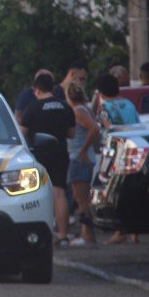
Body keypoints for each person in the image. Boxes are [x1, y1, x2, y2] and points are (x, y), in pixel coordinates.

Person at [19, 73, 76, 246]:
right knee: (59, 193)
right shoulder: (65, 107)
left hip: (39, 156)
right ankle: (63, 235)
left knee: (35, 194)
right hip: (60, 153)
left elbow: (22, 134)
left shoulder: (33, 107)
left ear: (36, 90)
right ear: (52, 88)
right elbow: (71, 134)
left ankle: (40, 234)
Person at [95, 73, 140, 245]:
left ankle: (120, 230)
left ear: (100, 91)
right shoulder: (129, 104)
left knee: (115, 192)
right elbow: (138, 124)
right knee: (131, 191)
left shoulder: (104, 108)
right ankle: (134, 232)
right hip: (132, 150)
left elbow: (104, 131)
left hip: (114, 153)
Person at [65, 82, 99, 246]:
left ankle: (88, 236)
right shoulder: (86, 109)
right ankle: (86, 233)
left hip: (79, 158)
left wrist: (83, 151)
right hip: (83, 157)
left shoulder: (78, 111)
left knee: (81, 199)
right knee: (83, 198)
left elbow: (94, 129)